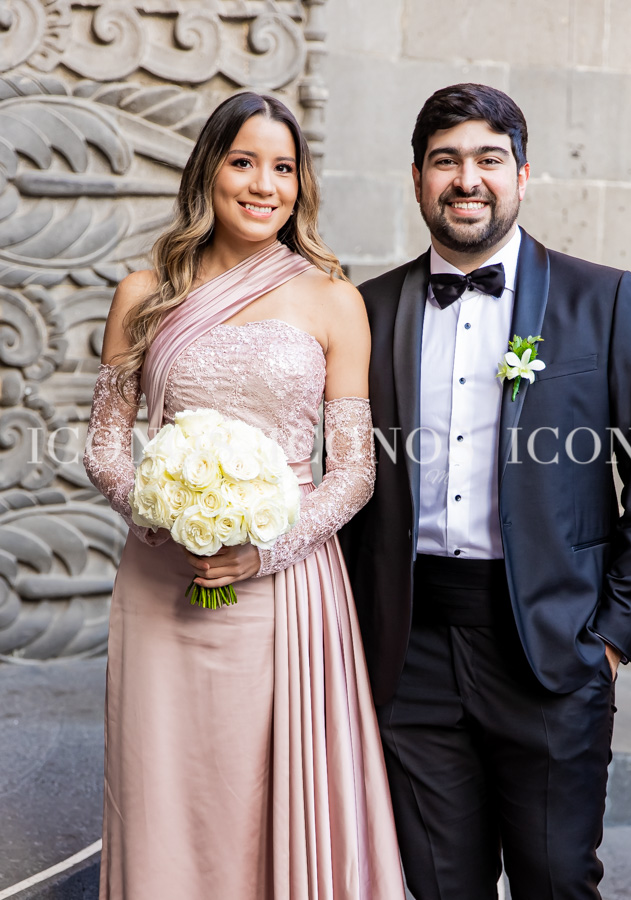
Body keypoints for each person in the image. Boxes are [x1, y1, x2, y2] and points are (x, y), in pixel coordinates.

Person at [340, 83, 631, 899]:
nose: (467, 179)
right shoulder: (368, 308)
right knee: (434, 884)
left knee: (556, 879)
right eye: (445, 162)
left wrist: (612, 633)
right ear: (418, 180)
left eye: (488, 160)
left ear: (521, 176)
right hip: (410, 651)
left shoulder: (599, 298)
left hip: (551, 645)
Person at [84, 91, 406, 900]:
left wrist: (261, 549)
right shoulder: (142, 292)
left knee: (264, 787)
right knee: (164, 784)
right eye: (243, 162)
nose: (264, 184)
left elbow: (354, 471)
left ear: (300, 184)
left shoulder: (334, 300)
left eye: (284, 167)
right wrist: (165, 519)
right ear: (208, 173)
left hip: (285, 588)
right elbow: (101, 445)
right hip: (161, 583)